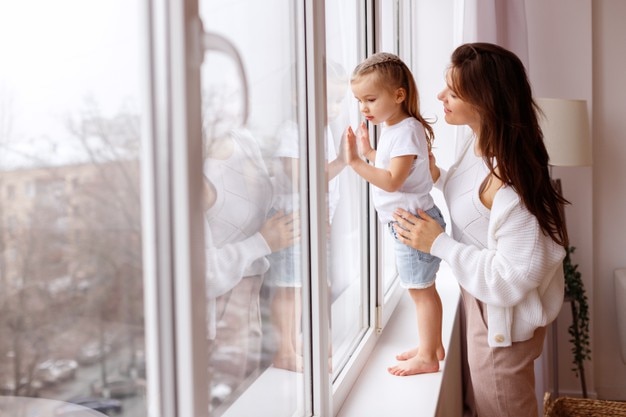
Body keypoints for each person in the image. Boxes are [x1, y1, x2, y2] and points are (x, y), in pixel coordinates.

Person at [391, 42, 568, 416]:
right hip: (481, 303)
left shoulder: (512, 183)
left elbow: (511, 279)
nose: (440, 96)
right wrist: (428, 174)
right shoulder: (481, 146)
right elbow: (469, 202)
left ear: (486, 100)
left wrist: (438, 244)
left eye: (453, 92)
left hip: (499, 317)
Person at [344, 52, 447, 376]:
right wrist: (370, 152)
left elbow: (392, 180)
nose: (364, 108)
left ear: (399, 95)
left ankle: (428, 356)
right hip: (410, 222)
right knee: (420, 290)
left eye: (371, 99)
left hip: (414, 225)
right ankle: (432, 345)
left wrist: (357, 163)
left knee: (421, 292)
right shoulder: (395, 127)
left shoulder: (404, 130)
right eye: (360, 101)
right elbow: (395, 165)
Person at [266, 61, 348, 372]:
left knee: (310, 285)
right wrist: (342, 161)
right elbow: (304, 177)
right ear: (298, 96)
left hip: (313, 223)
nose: (335, 109)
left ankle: (299, 340)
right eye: (329, 99)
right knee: (290, 287)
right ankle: (284, 350)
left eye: (340, 101)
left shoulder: (322, 129)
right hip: (293, 222)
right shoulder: (292, 130)